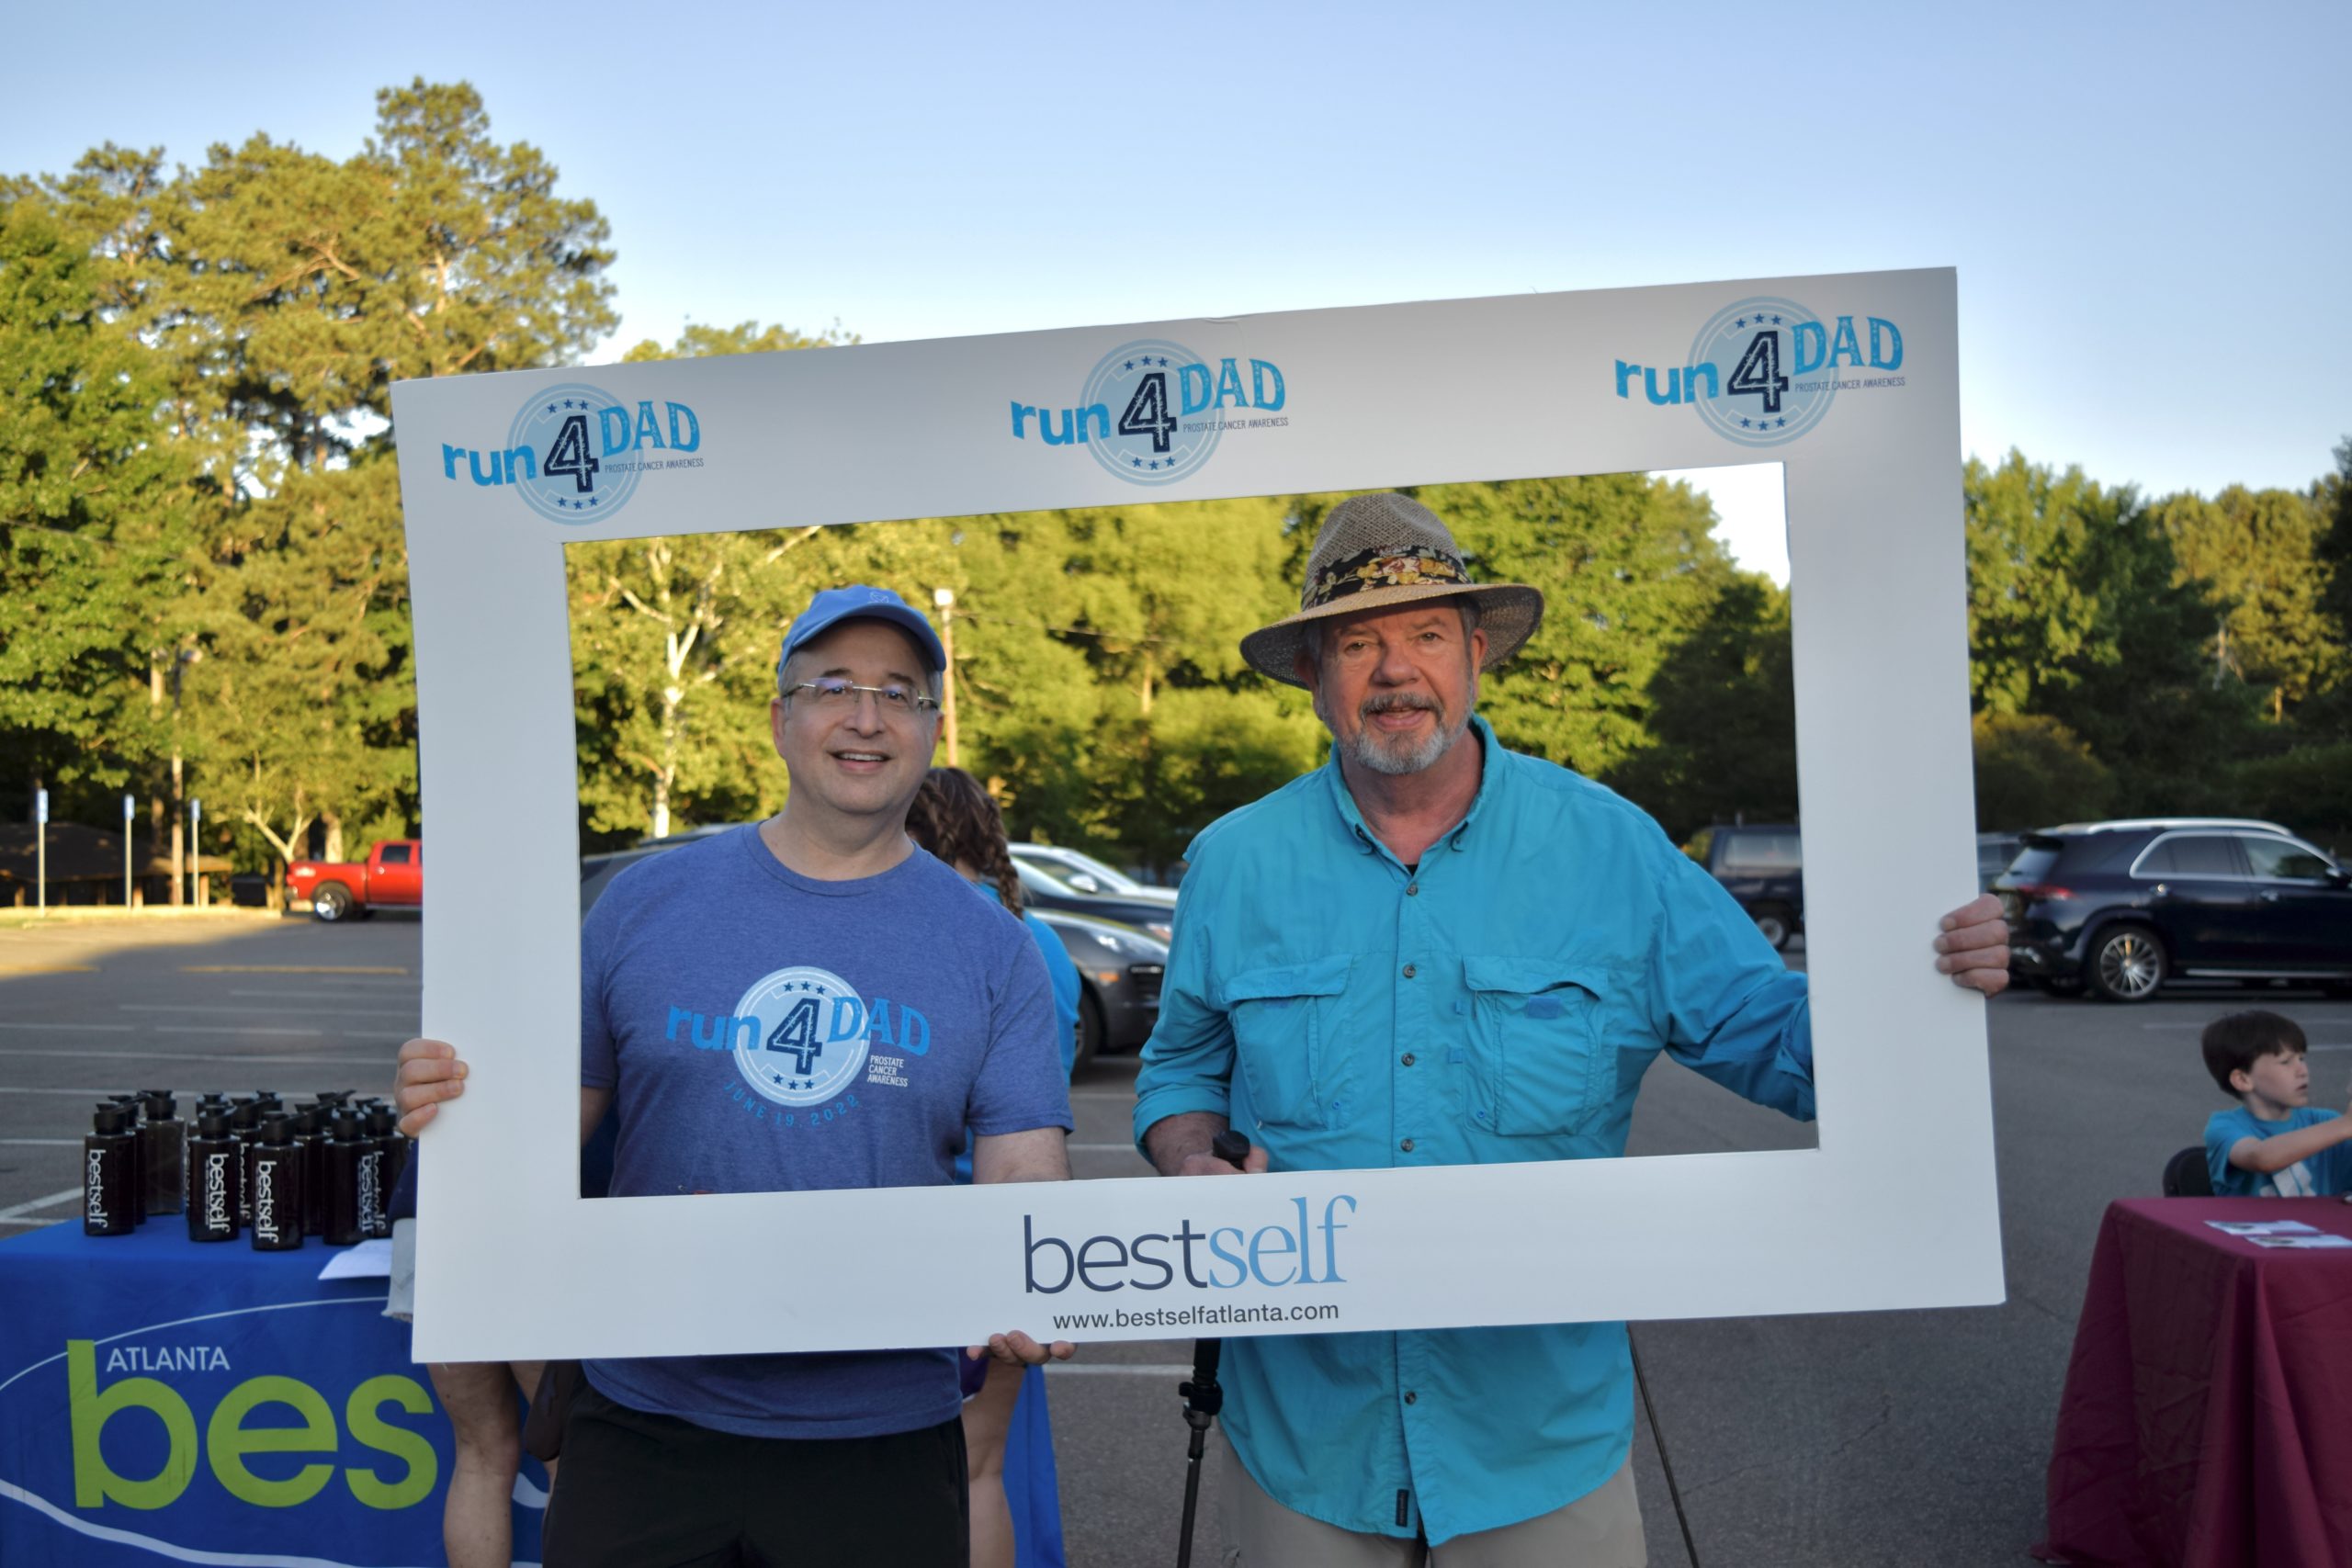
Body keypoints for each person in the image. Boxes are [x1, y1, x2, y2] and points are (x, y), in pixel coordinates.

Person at [1130, 491, 2012, 1566]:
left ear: (1475, 656)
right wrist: (1189, 1157)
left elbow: (1784, 1045)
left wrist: (1920, 978)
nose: (1395, 671)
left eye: (1426, 635)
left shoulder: (1613, 850)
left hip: (1537, 1445)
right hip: (1304, 1441)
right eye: (1357, 644)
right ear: (1315, 677)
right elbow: (1180, 1070)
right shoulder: (1233, 863)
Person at [396, 585, 1076, 1568]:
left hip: (883, 1434)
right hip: (645, 1418)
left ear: (932, 729)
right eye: (833, 686)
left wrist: (1035, 1273)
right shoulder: (642, 903)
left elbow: (1022, 1170)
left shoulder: (993, 946)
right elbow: (541, 1136)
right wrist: (453, 1108)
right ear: (778, 719)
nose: (867, 717)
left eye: (899, 693)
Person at [907, 764, 1080, 1568]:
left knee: (939, 1472)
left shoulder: (925, 928)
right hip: (1017, 1228)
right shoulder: (1038, 938)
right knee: (986, 1469)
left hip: (932, 1224)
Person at [2201, 1009, 2352, 1198]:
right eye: (2286, 1062)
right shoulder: (2223, 1127)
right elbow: (2260, 1157)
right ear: (2243, 1079)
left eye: (2301, 1058)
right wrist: (2346, 1124)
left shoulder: (2326, 1121)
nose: (2302, 1070)